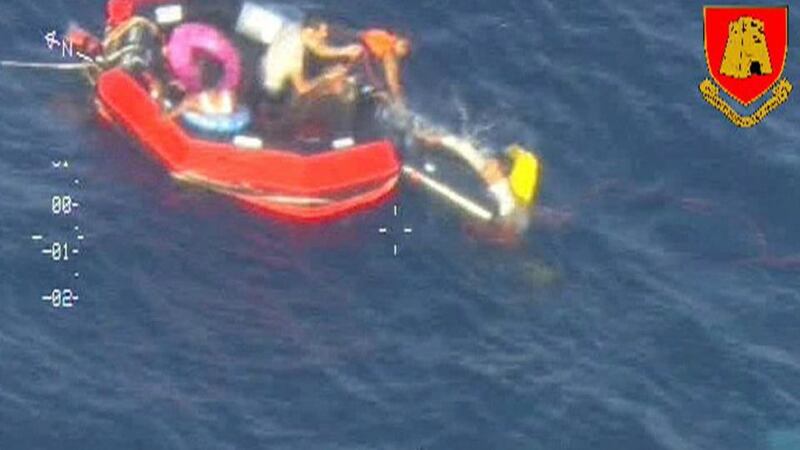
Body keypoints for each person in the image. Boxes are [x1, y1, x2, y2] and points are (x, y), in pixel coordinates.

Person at [262, 21, 363, 100]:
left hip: (282, 52)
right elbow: (302, 88)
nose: (325, 34)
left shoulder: (296, 31)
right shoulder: (284, 60)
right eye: (322, 32)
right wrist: (326, 76)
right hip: (279, 86)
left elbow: (318, 49)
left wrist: (344, 52)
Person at [360, 29, 411, 106]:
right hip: (364, 53)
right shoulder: (390, 54)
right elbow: (392, 80)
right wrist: (399, 102)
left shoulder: (388, 39)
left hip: (360, 41)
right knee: (382, 91)